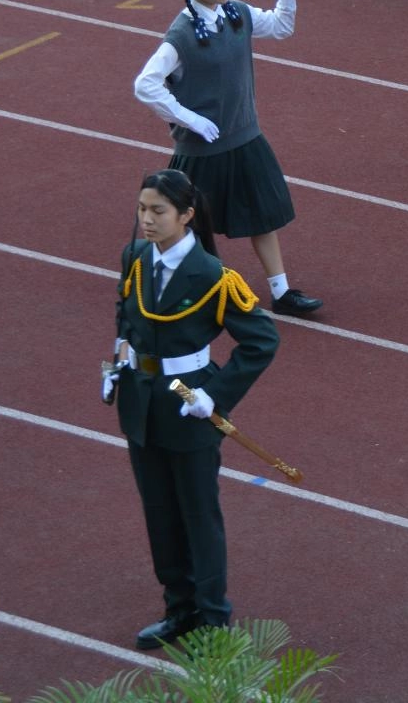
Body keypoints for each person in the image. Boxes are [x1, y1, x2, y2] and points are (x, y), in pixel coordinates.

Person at [110, 168, 280, 650]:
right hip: (141, 403)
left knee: (197, 515)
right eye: (142, 209)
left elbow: (261, 340)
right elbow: (125, 311)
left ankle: (212, 619)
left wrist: (217, 395)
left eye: (158, 211)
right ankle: (178, 609)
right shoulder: (135, 257)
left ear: (186, 215)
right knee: (159, 513)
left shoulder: (214, 276)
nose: (146, 219)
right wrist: (119, 353)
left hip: (189, 408)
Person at [131, 0, 323, 316]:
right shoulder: (182, 35)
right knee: (187, 227)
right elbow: (146, 84)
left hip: (245, 138)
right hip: (202, 149)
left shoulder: (237, 14)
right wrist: (190, 119)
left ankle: (281, 292)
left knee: (263, 215)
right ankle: (173, 287)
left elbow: (282, 26)